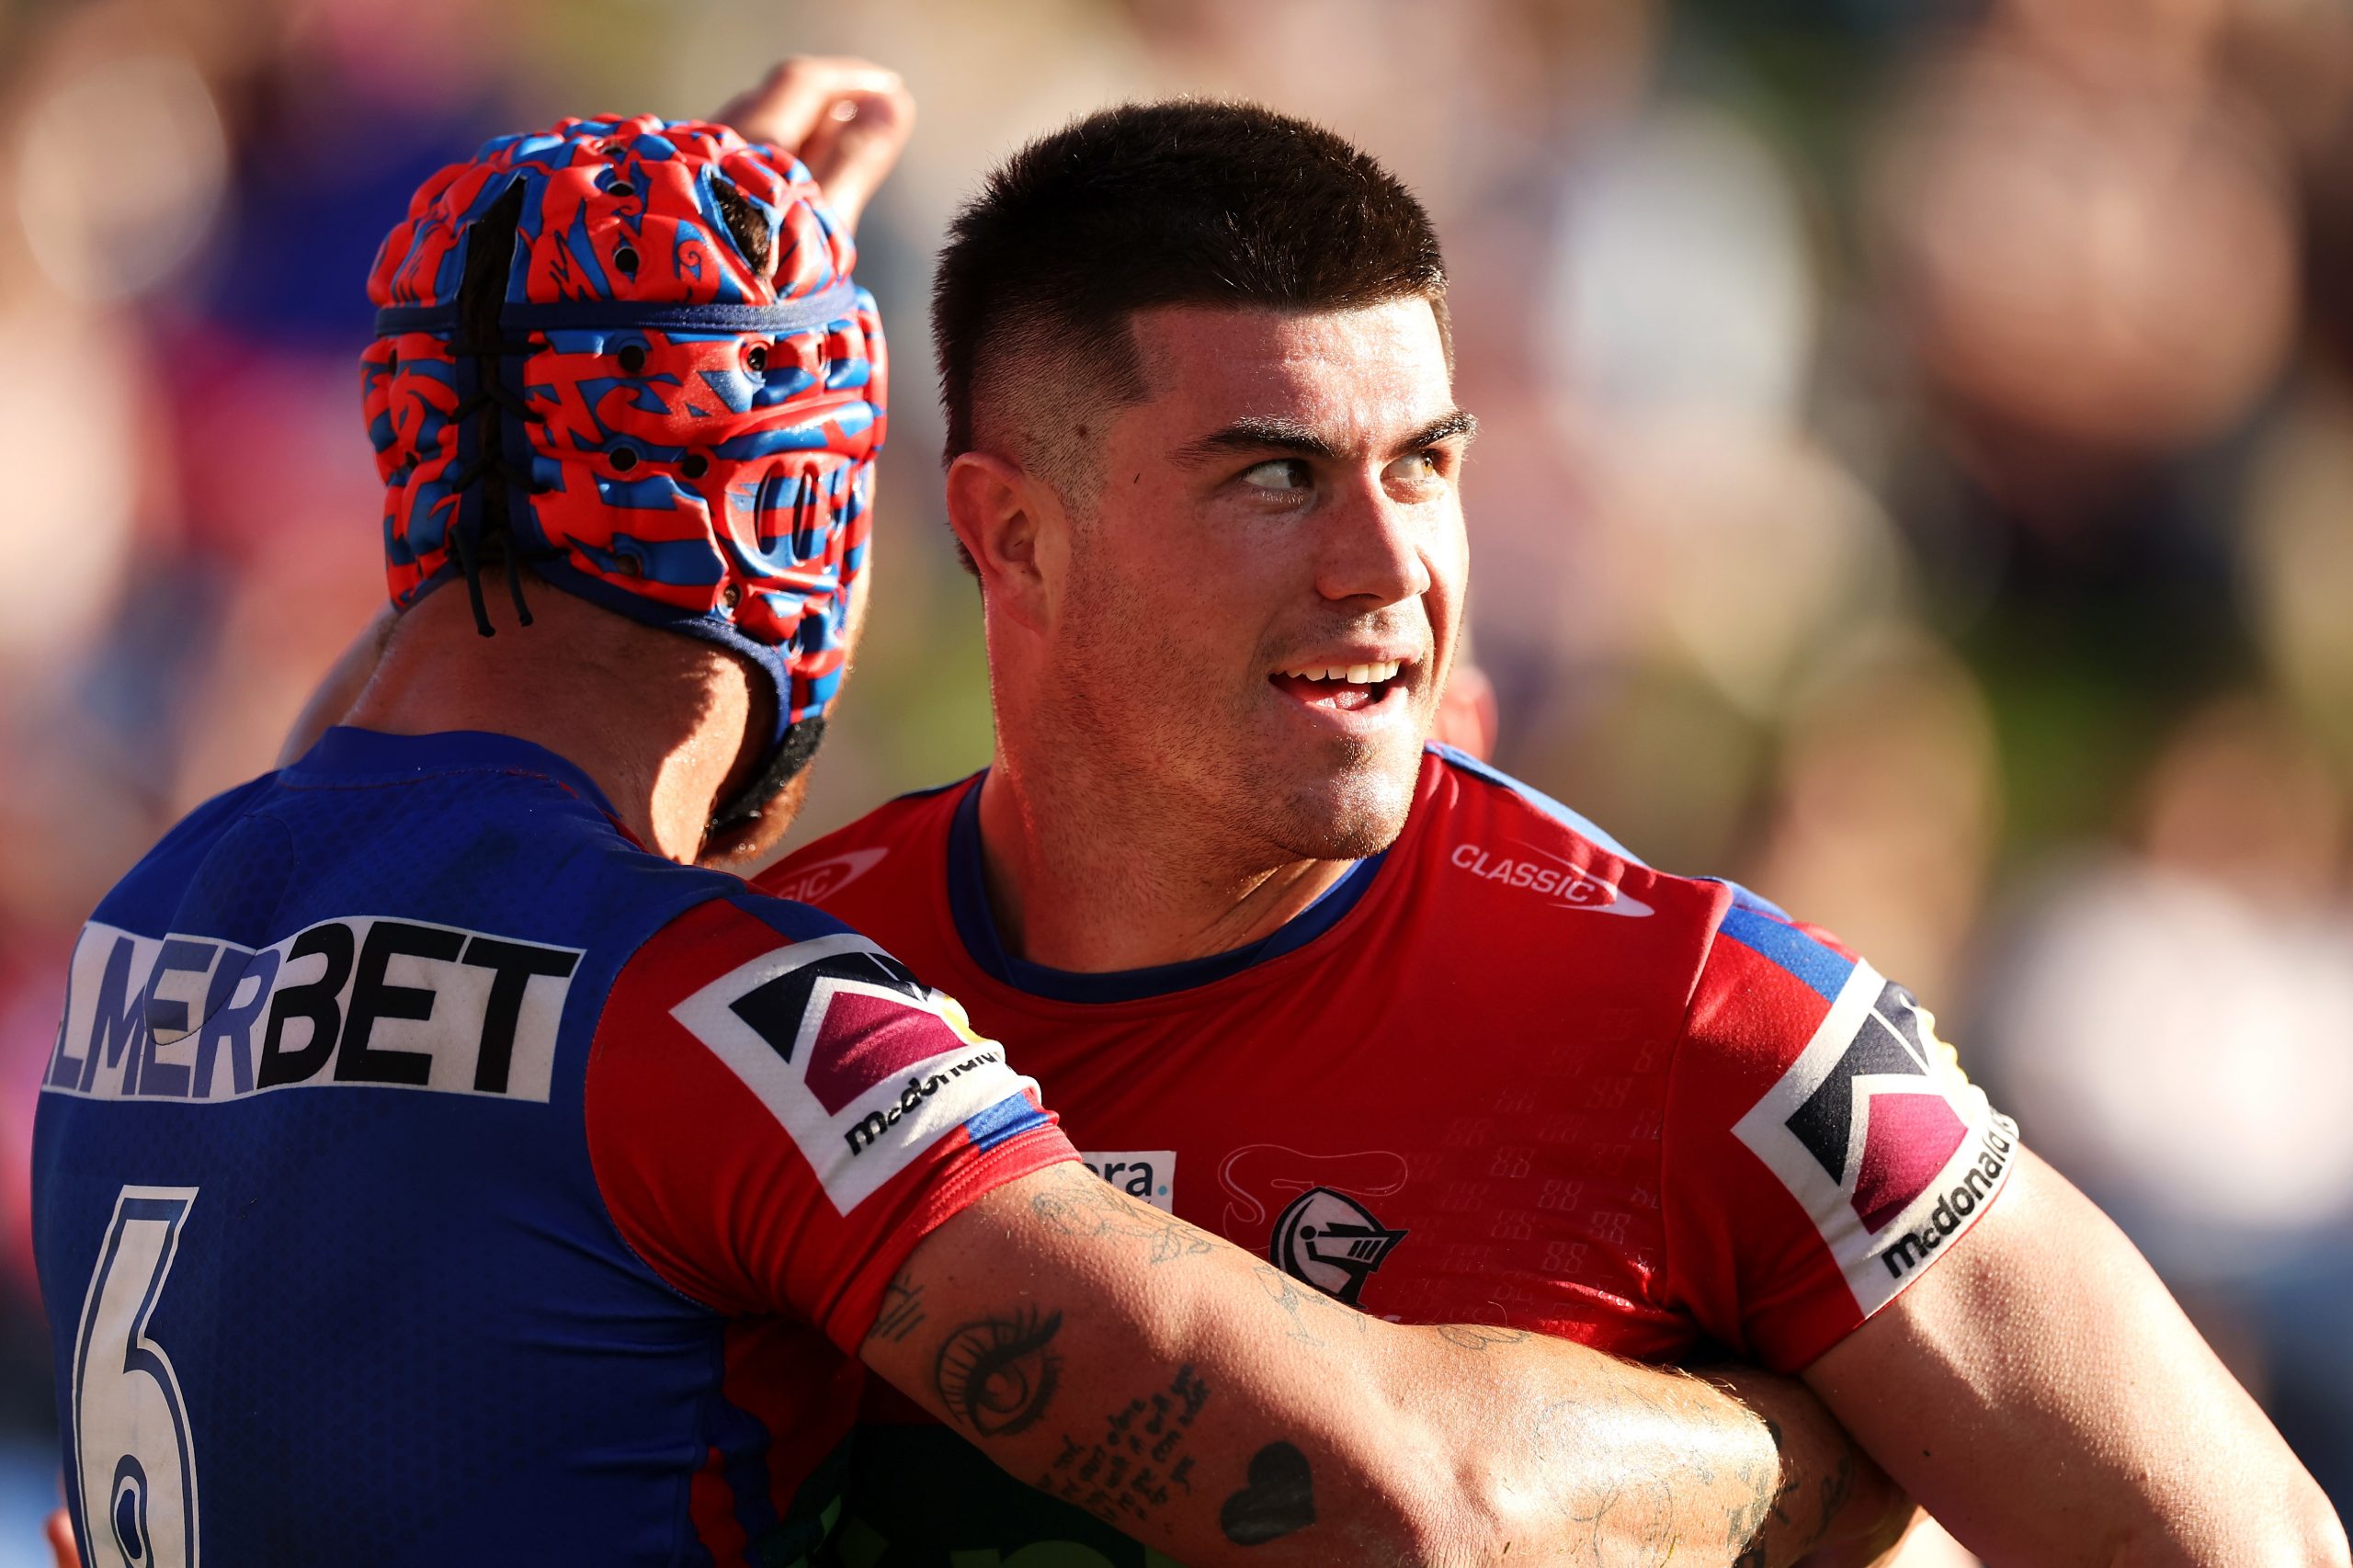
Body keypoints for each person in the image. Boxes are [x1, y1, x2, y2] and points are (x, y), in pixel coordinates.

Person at [28, 69, 1906, 1568]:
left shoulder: (170, 909)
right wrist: (1806, 1455)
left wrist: (621, 345)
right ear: (809, 519)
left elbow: (405, 791)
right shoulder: (731, 1020)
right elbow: (1393, 1502)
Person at [756, 100, 2352, 1567]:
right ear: (1010, 534)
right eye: (1274, 475)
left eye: (1425, 464)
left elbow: (2244, 1543)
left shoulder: (1713, 1019)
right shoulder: (773, 1000)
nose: (1387, 564)